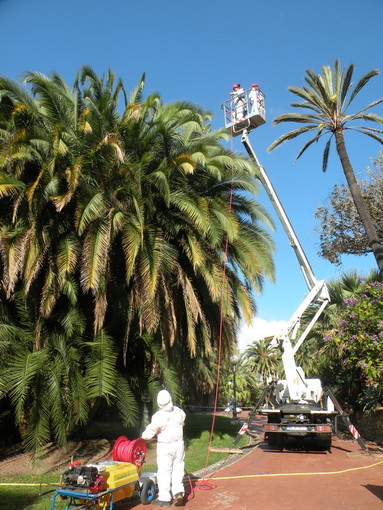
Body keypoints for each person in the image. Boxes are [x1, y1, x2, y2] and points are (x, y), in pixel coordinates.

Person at [141, 389, 186, 507]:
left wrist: (143, 436)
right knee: (178, 468)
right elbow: (183, 419)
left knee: (164, 472)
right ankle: (178, 492)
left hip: (165, 446)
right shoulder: (179, 412)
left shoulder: (158, 416)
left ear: (159, 403)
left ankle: (165, 498)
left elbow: (150, 432)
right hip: (179, 445)